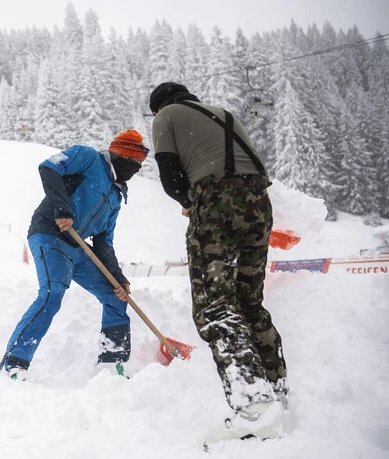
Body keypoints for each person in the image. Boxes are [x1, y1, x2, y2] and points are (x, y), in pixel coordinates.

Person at [149, 82, 288, 442]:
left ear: (158, 106)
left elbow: (169, 174)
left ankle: (254, 407)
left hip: (217, 201)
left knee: (214, 305)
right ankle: (277, 396)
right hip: (258, 202)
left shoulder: (166, 115)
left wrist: (190, 201)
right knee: (248, 301)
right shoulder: (224, 114)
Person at [0, 130, 149, 381]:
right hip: (50, 234)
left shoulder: (115, 194)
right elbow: (48, 167)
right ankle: (14, 362)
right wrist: (62, 208)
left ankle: (112, 363)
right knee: (52, 294)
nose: (135, 170)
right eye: (134, 164)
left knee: (115, 296)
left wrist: (118, 277)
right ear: (122, 156)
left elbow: (103, 242)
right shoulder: (88, 157)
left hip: (79, 249)